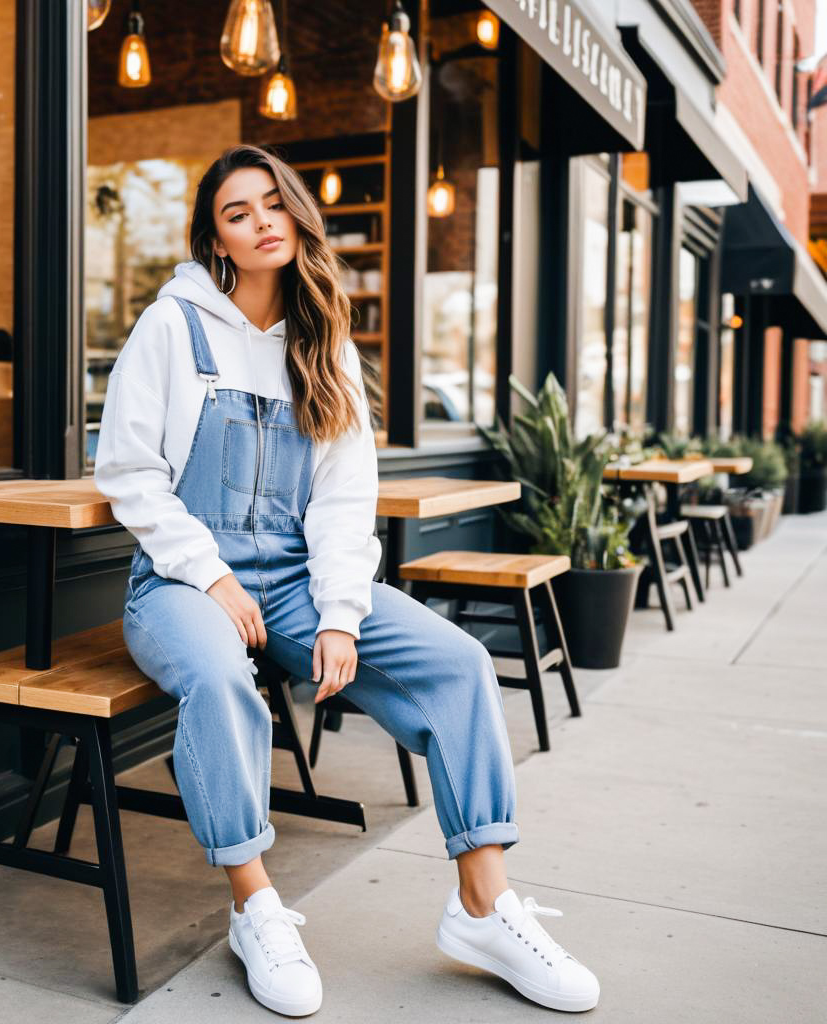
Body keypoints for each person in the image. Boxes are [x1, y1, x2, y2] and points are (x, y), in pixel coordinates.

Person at [94, 144, 599, 1016]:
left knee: (458, 664)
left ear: (296, 212)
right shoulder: (172, 325)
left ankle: (484, 905)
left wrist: (339, 615)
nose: (260, 224)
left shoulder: (322, 342)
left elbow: (342, 499)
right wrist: (212, 577)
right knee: (220, 679)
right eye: (236, 213)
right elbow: (129, 472)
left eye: (271, 204)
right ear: (215, 237)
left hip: (293, 576)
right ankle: (254, 904)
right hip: (179, 582)